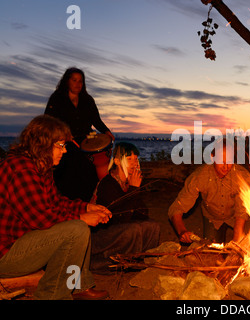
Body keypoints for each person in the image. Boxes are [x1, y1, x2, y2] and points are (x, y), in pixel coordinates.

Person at [0, 115, 111, 300]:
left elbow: (56, 203)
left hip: (22, 241)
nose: (64, 151)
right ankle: (51, 295)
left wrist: (86, 208)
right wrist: (82, 218)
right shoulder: (20, 168)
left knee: (79, 225)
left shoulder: (41, 167)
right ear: (42, 144)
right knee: (77, 229)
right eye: (60, 145)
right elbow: (41, 218)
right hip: (6, 255)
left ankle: (78, 286)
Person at [45, 67, 115, 202]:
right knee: (67, 173)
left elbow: (96, 120)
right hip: (64, 141)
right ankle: (68, 201)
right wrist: (62, 134)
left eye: (80, 81)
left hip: (85, 141)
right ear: (67, 81)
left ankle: (86, 201)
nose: (78, 84)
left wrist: (107, 131)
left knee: (89, 172)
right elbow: (48, 120)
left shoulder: (88, 100)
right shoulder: (57, 98)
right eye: (74, 80)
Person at [89, 142, 160, 272]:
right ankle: (123, 263)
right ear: (117, 161)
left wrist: (135, 189)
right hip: (99, 235)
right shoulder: (107, 184)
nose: (134, 163)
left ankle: (146, 262)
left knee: (152, 225)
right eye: (129, 159)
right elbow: (118, 218)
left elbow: (142, 213)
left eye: (136, 159)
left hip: (119, 227)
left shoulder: (129, 182)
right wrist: (133, 190)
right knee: (133, 228)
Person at [168, 140, 250, 244]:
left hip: (235, 218)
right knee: (211, 250)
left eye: (229, 161)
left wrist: (236, 242)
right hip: (212, 218)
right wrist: (182, 231)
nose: (226, 166)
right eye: (221, 160)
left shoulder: (242, 176)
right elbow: (176, 208)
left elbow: (241, 211)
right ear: (212, 157)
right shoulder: (200, 176)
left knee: (249, 246)